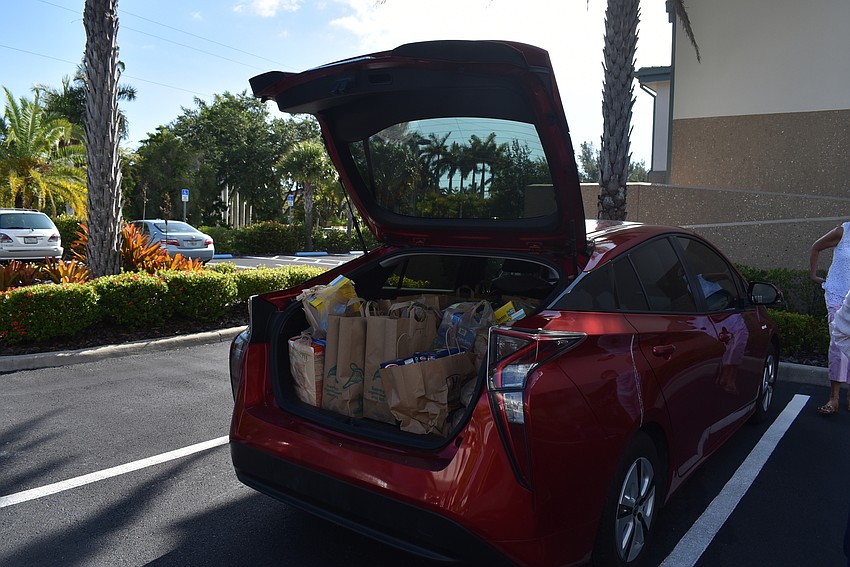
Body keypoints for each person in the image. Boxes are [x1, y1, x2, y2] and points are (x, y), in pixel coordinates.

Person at [810, 222, 850, 414]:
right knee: (838, 344)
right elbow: (816, 247)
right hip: (837, 296)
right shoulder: (843, 231)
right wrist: (814, 275)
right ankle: (833, 399)